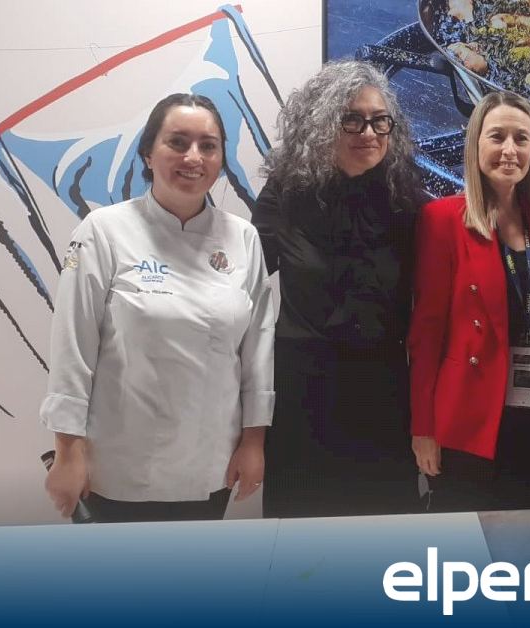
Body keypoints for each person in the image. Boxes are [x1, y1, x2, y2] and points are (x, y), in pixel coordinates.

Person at [41, 93, 274, 523]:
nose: (194, 157)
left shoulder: (242, 238)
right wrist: (68, 451)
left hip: (210, 462)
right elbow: (73, 346)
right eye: (177, 142)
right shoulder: (104, 231)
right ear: (148, 153)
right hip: (119, 463)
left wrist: (253, 442)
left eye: (208, 145)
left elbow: (257, 350)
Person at [252, 60, 425, 517]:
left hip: (383, 393)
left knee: (385, 538)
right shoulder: (286, 194)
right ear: (321, 123)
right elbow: (236, 286)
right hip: (302, 395)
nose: (368, 132)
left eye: (379, 120)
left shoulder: (406, 197)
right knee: (299, 537)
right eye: (352, 119)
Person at [408, 93, 530, 513]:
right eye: (497, 137)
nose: (510, 150)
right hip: (468, 418)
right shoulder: (442, 220)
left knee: (529, 541)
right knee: (462, 546)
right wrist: (423, 428)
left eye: (522, 138)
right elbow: (426, 333)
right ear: (475, 143)